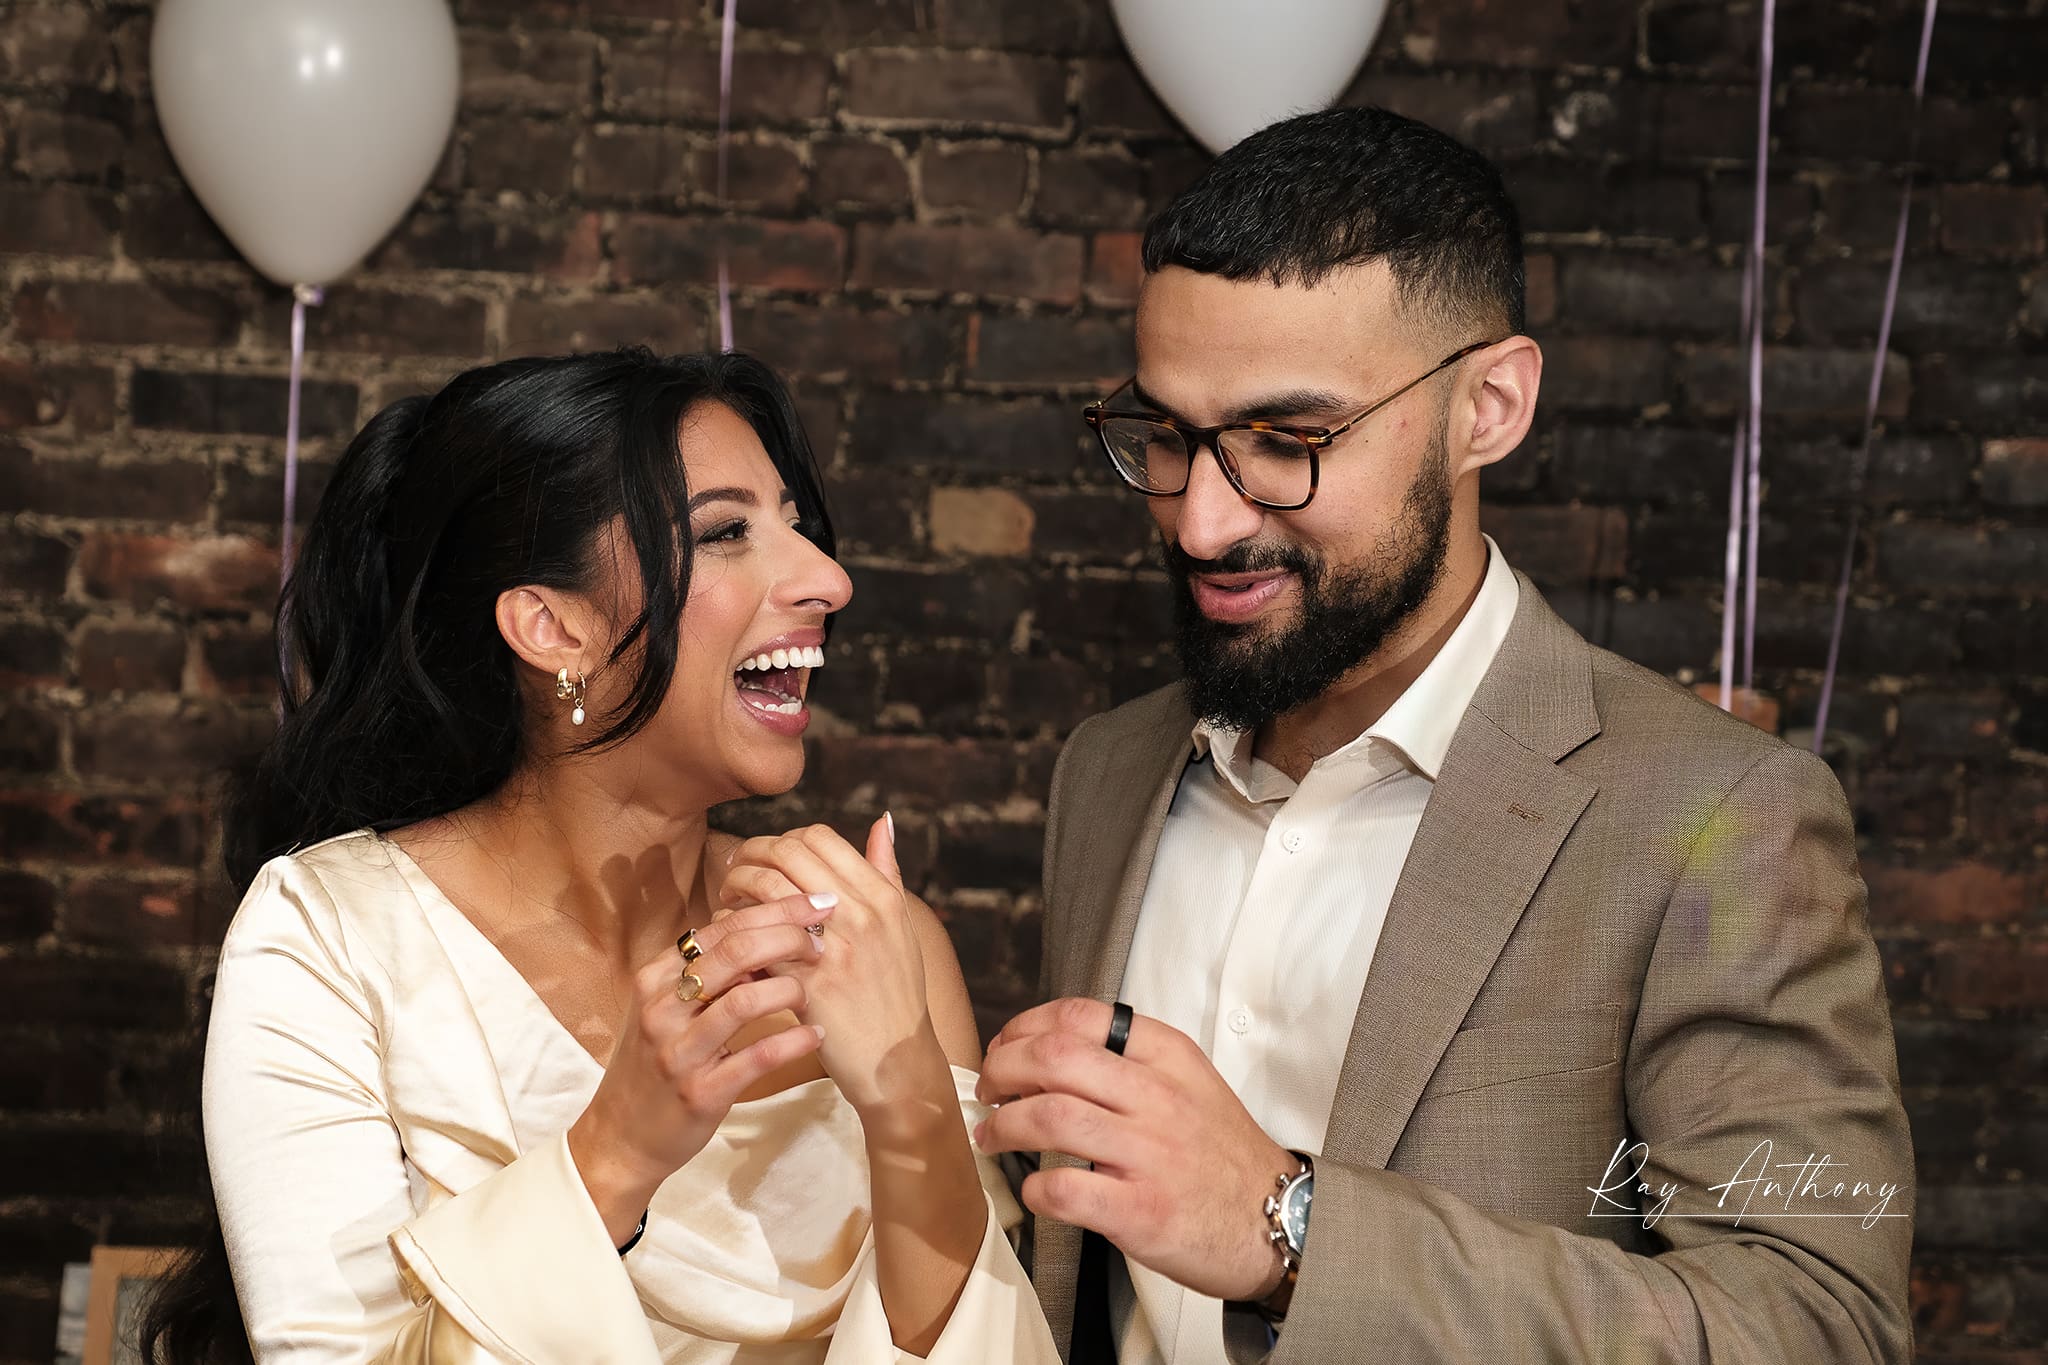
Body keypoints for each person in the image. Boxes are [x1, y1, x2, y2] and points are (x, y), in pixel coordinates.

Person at [971, 107, 1914, 1364]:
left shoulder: (1716, 815)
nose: (1200, 521)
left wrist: (1284, 1225)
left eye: (1285, 441)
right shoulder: (1109, 772)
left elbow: (1816, 1323)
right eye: (1166, 436)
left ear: (1489, 406)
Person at [141, 348, 1059, 1364]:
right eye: (724, 533)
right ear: (552, 627)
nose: (827, 578)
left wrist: (908, 1100)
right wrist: (614, 1153)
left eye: (793, 524)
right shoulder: (330, 940)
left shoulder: (883, 946)